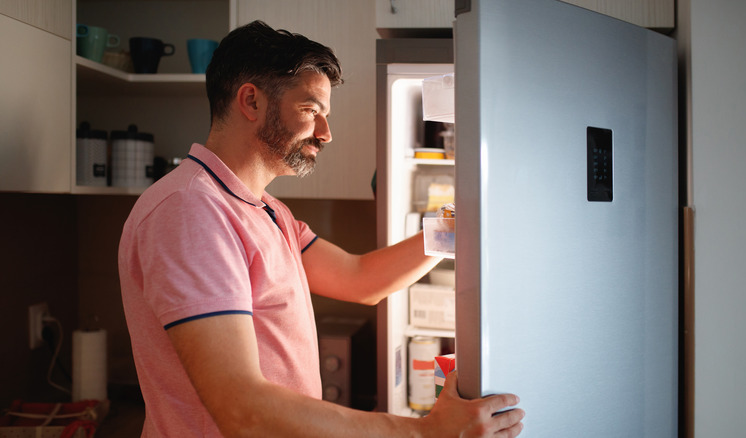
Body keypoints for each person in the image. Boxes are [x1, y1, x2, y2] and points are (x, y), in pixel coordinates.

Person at [118, 20, 525, 437]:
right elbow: (241, 408)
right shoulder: (191, 210)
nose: (326, 134)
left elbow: (360, 279)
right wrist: (424, 432)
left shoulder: (265, 210)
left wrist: (457, 226)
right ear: (251, 101)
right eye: (311, 111)